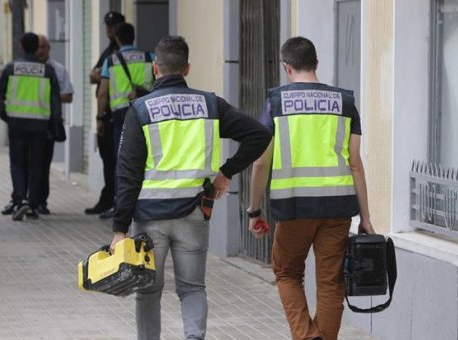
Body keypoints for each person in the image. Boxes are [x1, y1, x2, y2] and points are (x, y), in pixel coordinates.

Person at [109, 36, 272, 340]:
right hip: (194, 215)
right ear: (187, 68)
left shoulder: (140, 110)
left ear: (155, 69)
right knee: (192, 288)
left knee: (148, 291)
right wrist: (226, 173)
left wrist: (119, 229)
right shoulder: (210, 105)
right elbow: (258, 135)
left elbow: (127, 174)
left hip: (150, 218)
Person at [247, 37, 375, 340]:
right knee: (331, 282)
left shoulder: (275, 103)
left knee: (287, 272)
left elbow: (260, 164)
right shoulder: (345, 102)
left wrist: (254, 210)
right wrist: (366, 218)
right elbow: (355, 163)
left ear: (286, 67)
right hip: (338, 206)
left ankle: (307, 337)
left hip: (294, 206)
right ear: (317, 63)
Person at [0, 32, 62, 221]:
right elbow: (55, 101)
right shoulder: (48, 71)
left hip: (17, 123)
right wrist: (54, 125)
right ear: (36, 48)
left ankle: (21, 200)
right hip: (40, 124)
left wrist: (5, 114)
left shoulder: (11, 68)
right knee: (37, 165)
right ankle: (32, 205)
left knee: (17, 164)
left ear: (21, 47)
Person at [97, 22, 154, 219]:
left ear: (118, 39)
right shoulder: (150, 57)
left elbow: (102, 92)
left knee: (121, 160)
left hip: (122, 116)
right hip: (148, 112)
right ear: (133, 36)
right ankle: (145, 201)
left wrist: (99, 119)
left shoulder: (112, 61)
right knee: (147, 159)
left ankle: (120, 205)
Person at [85, 11, 126, 216]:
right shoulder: (108, 51)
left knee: (117, 161)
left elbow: (100, 82)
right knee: (109, 159)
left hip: (115, 114)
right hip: (110, 115)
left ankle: (116, 202)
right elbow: (93, 75)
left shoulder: (119, 53)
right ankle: (108, 198)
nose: (109, 29)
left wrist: (100, 118)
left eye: (113, 26)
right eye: (108, 25)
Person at [36, 34, 74, 214]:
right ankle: (27, 200)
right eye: (37, 47)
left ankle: (41, 201)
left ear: (49, 49)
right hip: (29, 125)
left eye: (43, 46)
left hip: (48, 126)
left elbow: (68, 96)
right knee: (29, 164)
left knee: (43, 165)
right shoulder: (26, 68)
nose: (40, 50)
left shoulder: (58, 69)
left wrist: (49, 97)